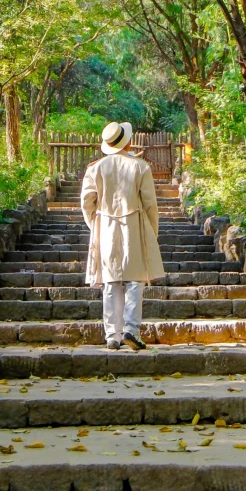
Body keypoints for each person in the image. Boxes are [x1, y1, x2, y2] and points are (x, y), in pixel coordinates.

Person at [80, 121, 164, 351]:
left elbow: (87, 203)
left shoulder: (95, 168)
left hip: (105, 225)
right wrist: (151, 233)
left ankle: (112, 336)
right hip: (134, 225)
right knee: (135, 280)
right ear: (127, 141)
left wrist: (95, 225)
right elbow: (150, 205)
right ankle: (131, 329)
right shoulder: (140, 167)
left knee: (110, 281)